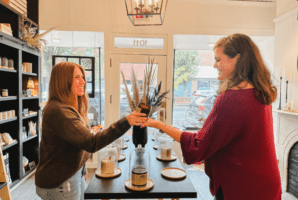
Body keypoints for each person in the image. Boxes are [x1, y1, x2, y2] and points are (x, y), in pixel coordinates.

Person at [141, 33, 281, 200]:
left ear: (236, 59)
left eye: (218, 59)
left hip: (242, 187)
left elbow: (198, 145)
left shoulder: (230, 98)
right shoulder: (261, 92)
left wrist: (161, 126)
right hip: (267, 184)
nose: (214, 65)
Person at [35, 62, 147, 200]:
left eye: (83, 77)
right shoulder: (58, 111)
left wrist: (81, 169)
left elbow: (77, 143)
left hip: (72, 175)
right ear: (63, 81)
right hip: (60, 183)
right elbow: (91, 142)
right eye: (77, 77)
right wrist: (126, 121)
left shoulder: (67, 107)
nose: (83, 81)